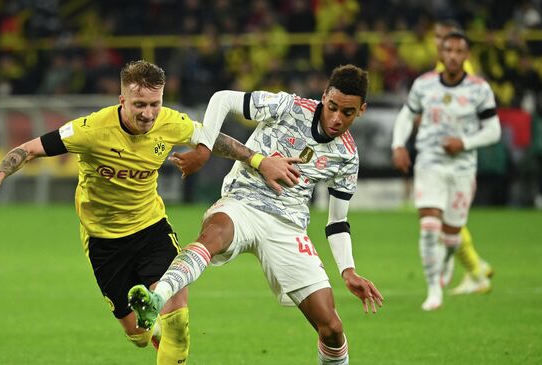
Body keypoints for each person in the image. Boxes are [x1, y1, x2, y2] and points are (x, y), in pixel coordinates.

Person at [0, 60, 300, 364]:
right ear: (122, 101)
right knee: (138, 336)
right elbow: (29, 149)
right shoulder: (90, 130)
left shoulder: (169, 122)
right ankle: (152, 337)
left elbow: (214, 138)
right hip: (104, 241)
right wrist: (0, 173)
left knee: (177, 321)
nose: (148, 113)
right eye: (139, 104)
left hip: (151, 228)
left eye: (155, 103)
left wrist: (258, 160)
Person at [127, 64, 383, 364]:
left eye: (348, 112)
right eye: (332, 107)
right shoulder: (288, 106)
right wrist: (205, 147)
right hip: (242, 202)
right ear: (324, 97)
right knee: (213, 235)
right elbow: (222, 99)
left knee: (332, 329)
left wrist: (348, 270)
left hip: (288, 226)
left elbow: (338, 221)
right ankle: (158, 297)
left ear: (361, 110)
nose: (337, 118)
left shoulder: (347, 156)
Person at [391, 32, 501, 311]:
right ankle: (433, 291)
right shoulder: (424, 85)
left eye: (459, 51)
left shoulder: (479, 89)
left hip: (463, 168)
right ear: (441, 55)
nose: (453, 56)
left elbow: (493, 130)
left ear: (466, 56)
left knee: (452, 236)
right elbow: (407, 114)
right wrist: (398, 144)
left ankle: (448, 257)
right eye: (448, 51)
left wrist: (464, 143)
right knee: (429, 227)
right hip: (430, 162)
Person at [430, 19, 495, 295]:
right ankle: (476, 267)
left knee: (447, 219)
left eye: (441, 37)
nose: (437, 43)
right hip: (443, 154)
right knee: (448, 217)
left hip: (456, 156)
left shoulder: (462, 73)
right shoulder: (440, 71)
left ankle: (476, 271)